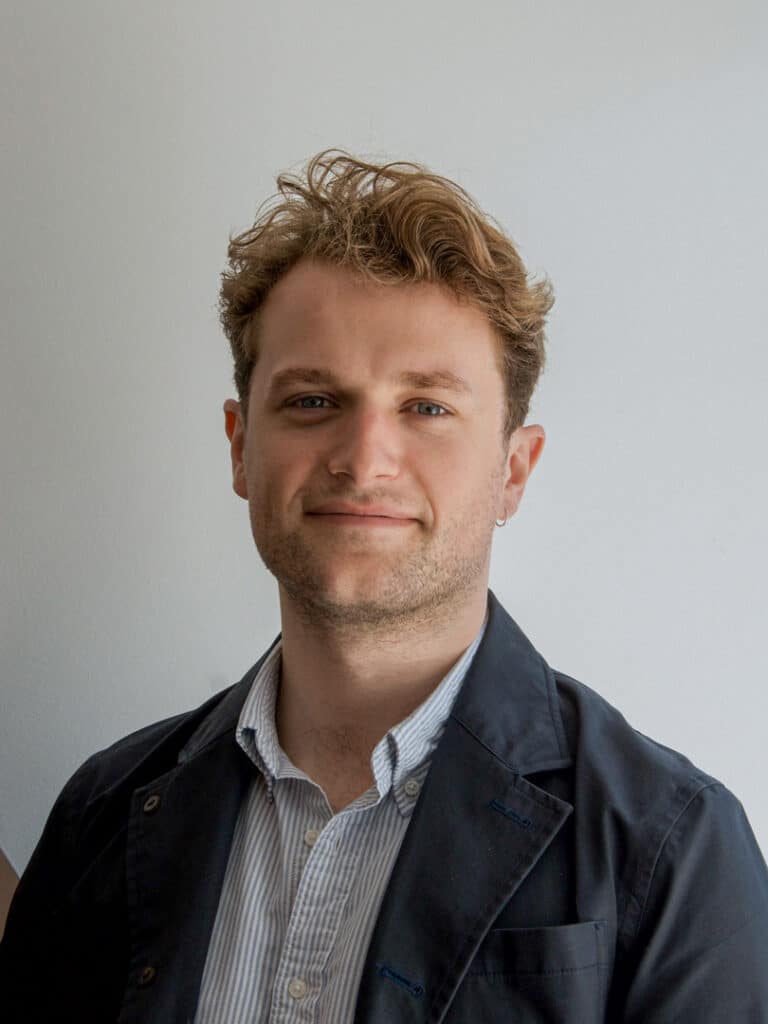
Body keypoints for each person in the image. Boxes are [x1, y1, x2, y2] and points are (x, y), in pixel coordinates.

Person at [2, 149, 767, 1023]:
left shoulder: (674, 848)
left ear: (515, 471)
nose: (364, 460)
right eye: (312, 401)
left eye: (428, 407)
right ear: (240, 448)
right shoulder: (102, 815)